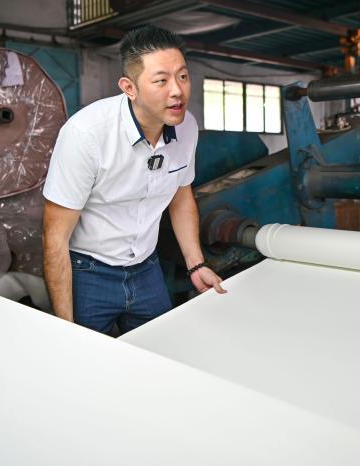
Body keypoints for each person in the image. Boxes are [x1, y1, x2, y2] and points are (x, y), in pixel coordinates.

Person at [42, 25, 226, 335]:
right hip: (88, 272)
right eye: (161, 81)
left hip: (147, 269)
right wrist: (65, 329)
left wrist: (196, 264)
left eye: (183, 76)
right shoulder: (86, 134)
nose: (177, 91)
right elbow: (54, 237)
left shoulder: (186, 128)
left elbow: (181, 198)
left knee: (158, 349)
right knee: (89, 358)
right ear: (129, 87)